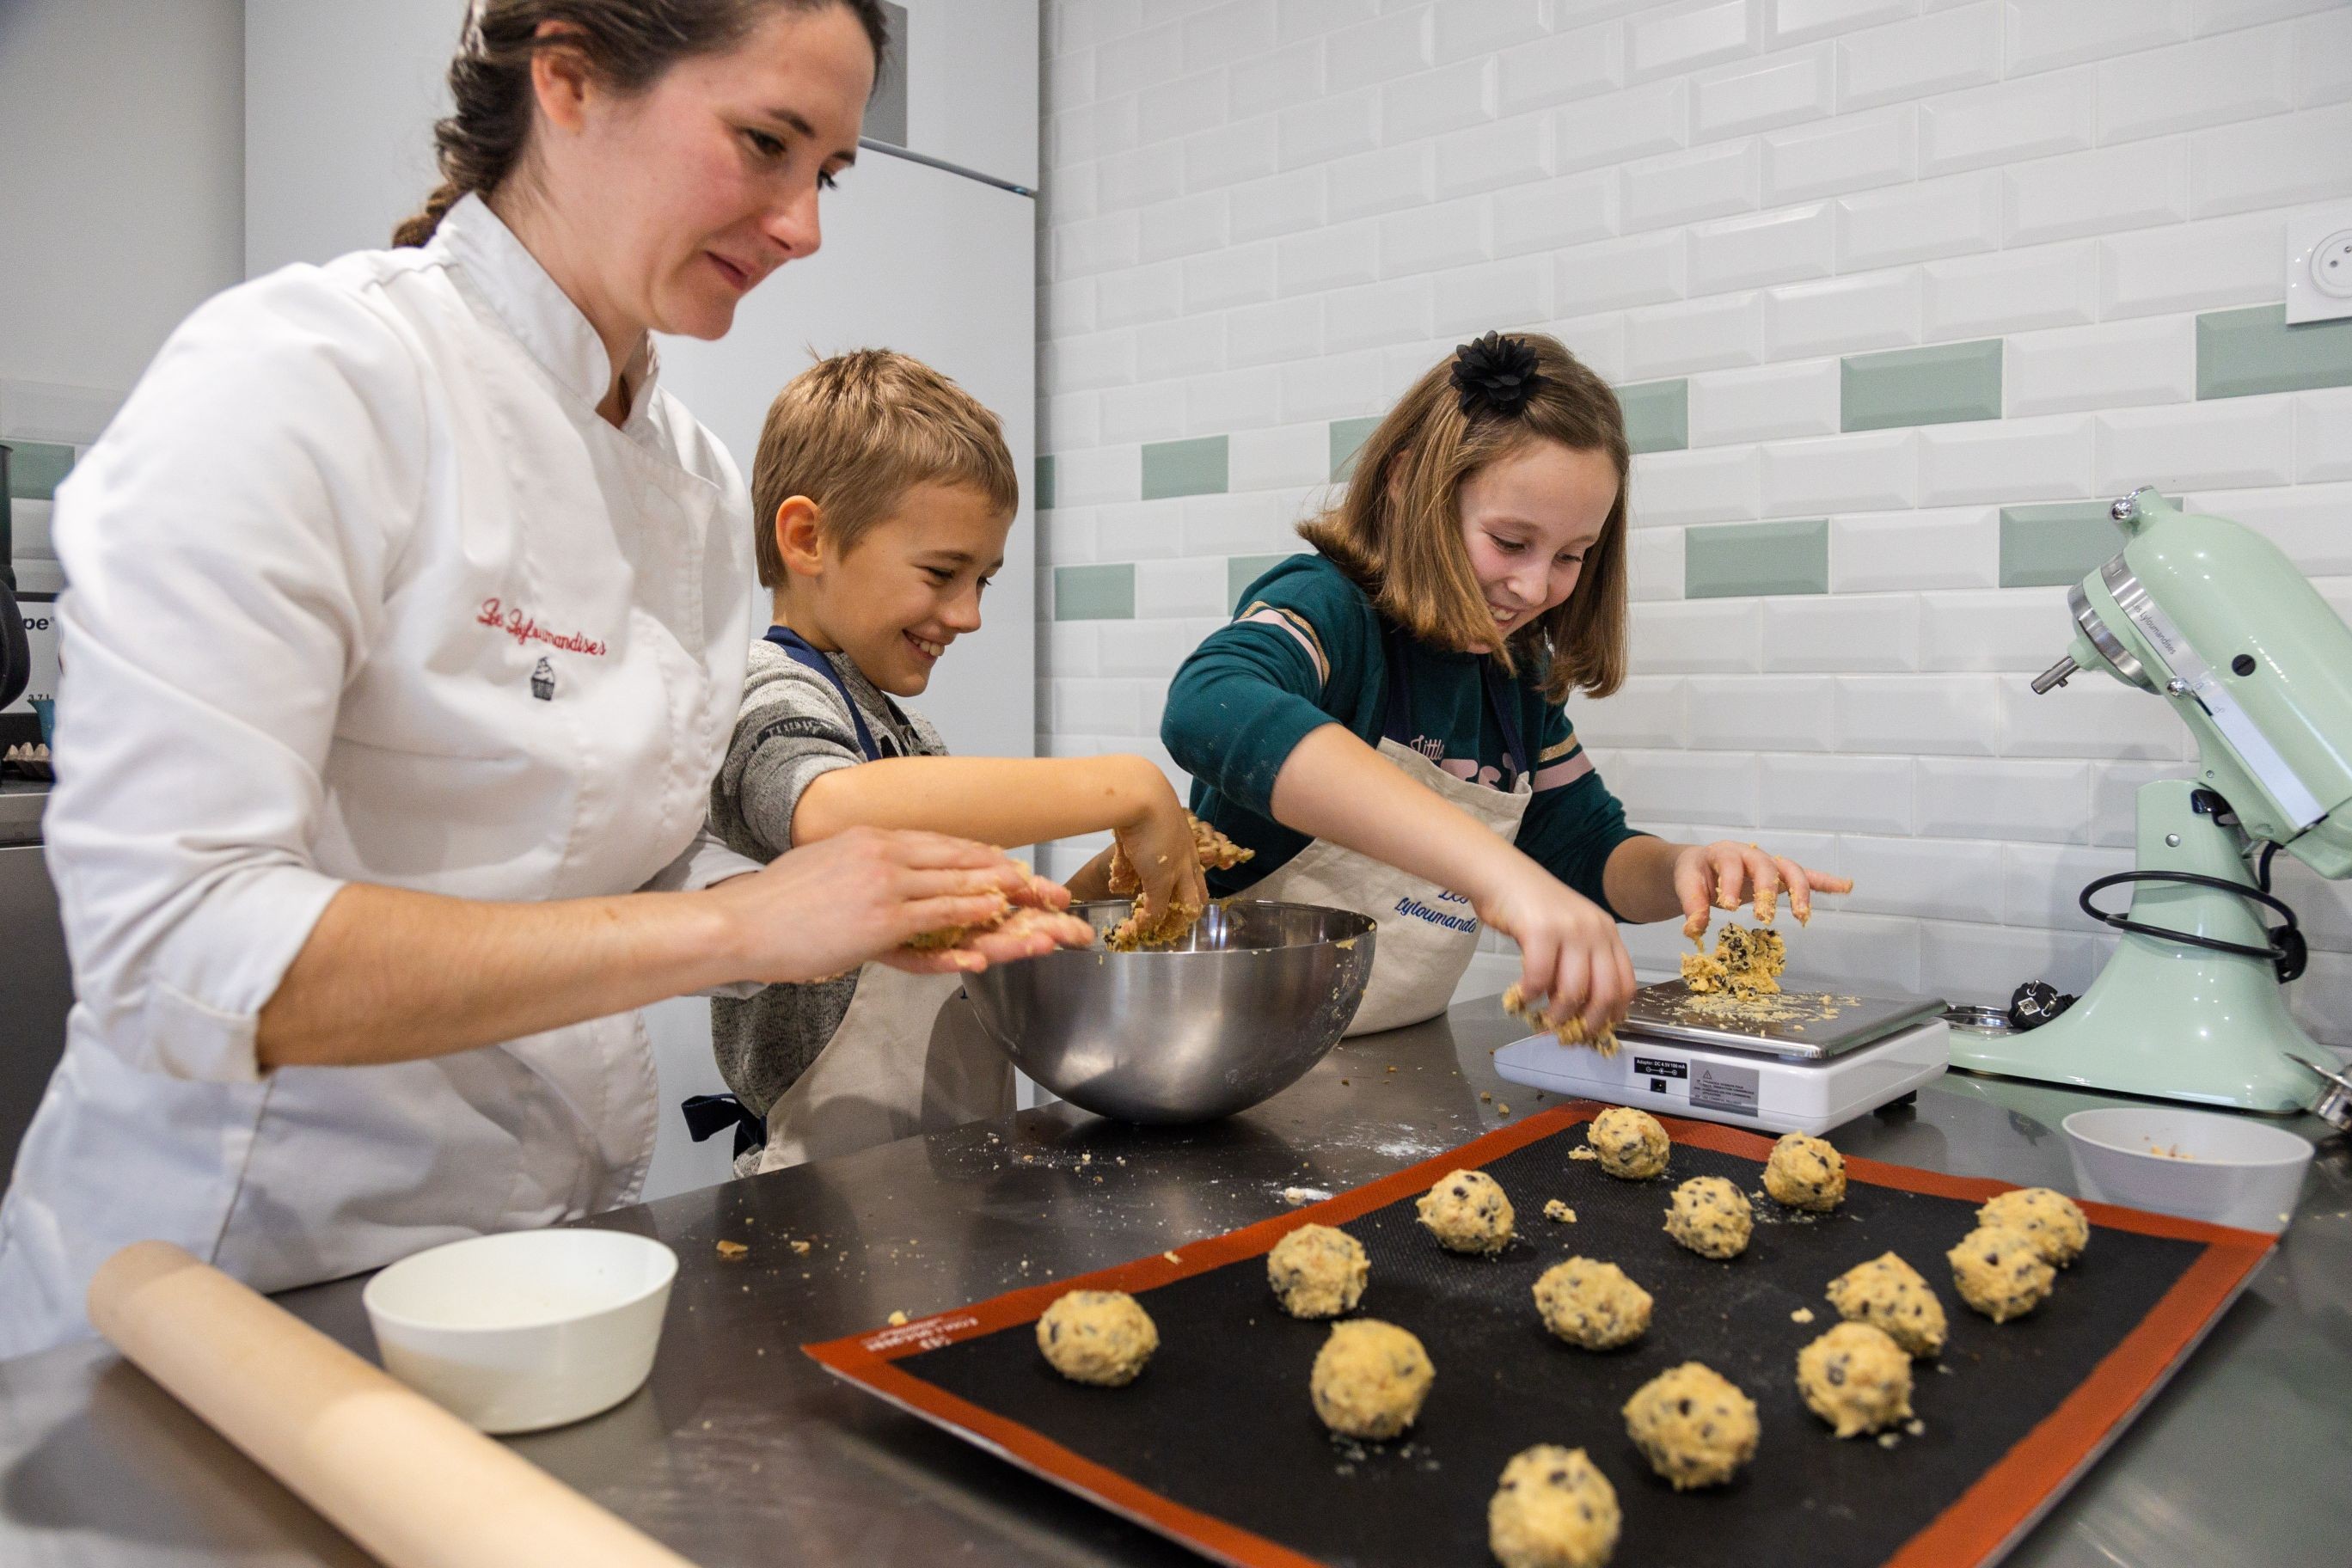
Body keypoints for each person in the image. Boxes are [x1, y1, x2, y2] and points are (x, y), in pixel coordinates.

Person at [0, 0, 1087, 1358]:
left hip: (542, 1277)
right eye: (765, 142)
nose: (805, 225)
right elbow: (183, 958)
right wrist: (747, 926)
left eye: (829, 172)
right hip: (236, 1292)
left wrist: (862, 911)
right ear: (567, 78)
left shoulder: (686, 486)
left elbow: (572, 878)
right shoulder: (307, 378)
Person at [1161, 332, 1852, 1041]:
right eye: (1512, 542)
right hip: (1236, 1049)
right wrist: (1502, 879)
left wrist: (1684, 869)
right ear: (1406, 486)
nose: (1533, 587)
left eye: (1571, 555)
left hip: (1395, 1059)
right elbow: (1209, 705)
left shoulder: (1515, 675)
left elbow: (1586, 851)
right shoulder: (1331, 611)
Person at [702, 348, 1205, 1172]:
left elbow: (970, 930)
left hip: (948, 1154)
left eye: (985, 581)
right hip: (822, 1179)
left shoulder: (908, 734)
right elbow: (825, 812)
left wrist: (1092, 890)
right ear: (807, 537)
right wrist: (1127, 789)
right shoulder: (765, 693)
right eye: (942, 573)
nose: (968, 615)